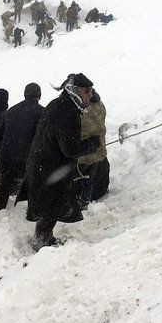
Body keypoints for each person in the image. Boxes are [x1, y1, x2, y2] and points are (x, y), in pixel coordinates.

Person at [24, 73, 100, 249]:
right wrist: (92, 143)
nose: (90, 95)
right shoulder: (67, 112)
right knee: (52, 205)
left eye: (91, 90)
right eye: (86, 91)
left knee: (49, 204)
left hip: (43, 163)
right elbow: (70, 148)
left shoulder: (59, 105)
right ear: (74, 91)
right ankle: (43, 241)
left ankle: (43, 237)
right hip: (50, 167)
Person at [0, 83, 43, 211]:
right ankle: (31, 211)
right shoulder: (42, 112)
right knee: (33, 184)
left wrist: (6, 147)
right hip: (29, 157)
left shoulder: (10, 111)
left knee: (5, 185)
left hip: (8, 156)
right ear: (39, 95)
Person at [73, 90, 107, 209]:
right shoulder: (100, 105)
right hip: (98, 150)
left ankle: (76, 202)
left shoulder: (83, 109)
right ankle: (85, 201)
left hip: (85, 152)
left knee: (76, 176)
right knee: (89, 178)